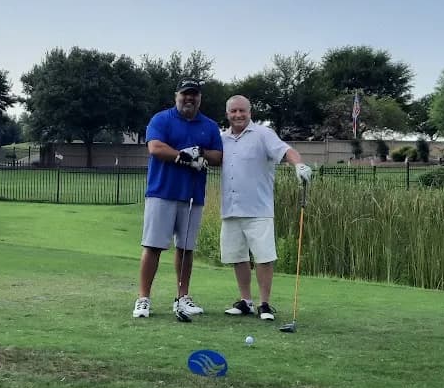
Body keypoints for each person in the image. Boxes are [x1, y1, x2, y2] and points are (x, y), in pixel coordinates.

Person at [132, 78, 223, 319]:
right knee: (153, 246)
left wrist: (201, 153)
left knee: (186, 248)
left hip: (192, 195)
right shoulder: (162, 119)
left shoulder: (209, 126)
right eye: (185, 94)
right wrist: (185, 157)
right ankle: (143, 298)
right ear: (177, 96)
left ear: (200, 98)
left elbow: (218, 156)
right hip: (162, 191)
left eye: (194, 95)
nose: (189, 99)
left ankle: (182, 298)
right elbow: (156, 148)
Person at [220, 95, 312, 321]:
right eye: (234, 111)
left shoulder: (263, 134)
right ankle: (246, 302)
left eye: (242, 111)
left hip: (258, 208)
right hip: (231, 208)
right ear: (228, 114)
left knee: (263, 257)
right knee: (238, 257)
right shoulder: (221, 138)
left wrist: (298, 164)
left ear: (250, 112)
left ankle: (265, 304)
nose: (238, 115)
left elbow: (286, 151)